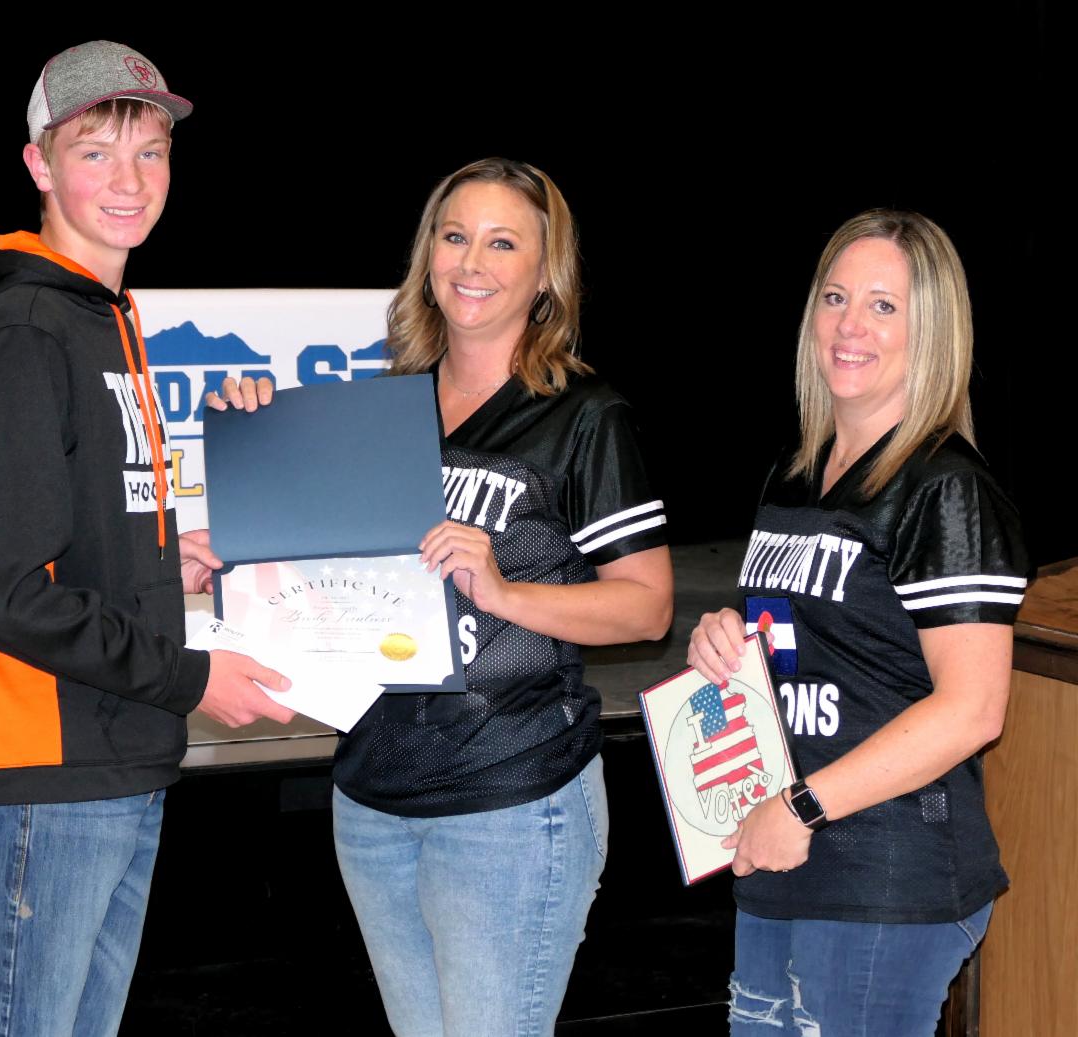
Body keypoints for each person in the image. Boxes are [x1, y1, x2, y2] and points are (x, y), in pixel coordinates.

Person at [211, 158, 674, 1035]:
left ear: (546, 273)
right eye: (454, 236)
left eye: (504, 242)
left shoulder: (582, 415)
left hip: (510, 799)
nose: (473, 261)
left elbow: (646, 607)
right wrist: (258, 438)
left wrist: (503, 588)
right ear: (428, 256)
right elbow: (319, 580)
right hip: (373, 799)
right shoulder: (384, 407)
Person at [0, 40, 292, 1036]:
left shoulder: (101, 317)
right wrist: (191, 676)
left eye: (150, 152)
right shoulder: (27, 329)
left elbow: (62, 540)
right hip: (49, 774)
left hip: (113, 758)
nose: (129, 181)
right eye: (95, 152)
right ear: (39, 164)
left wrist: (155, 558)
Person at [686, 210, 1031, 1036]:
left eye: (884, 306)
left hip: (882, 878)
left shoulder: (945, 488)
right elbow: (807, 639)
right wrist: (723, 638)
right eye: (836, 298)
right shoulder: (797, 471)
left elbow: (973, 707)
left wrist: (803, 806)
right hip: (779, 855)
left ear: (933, 332)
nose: (849, 325)